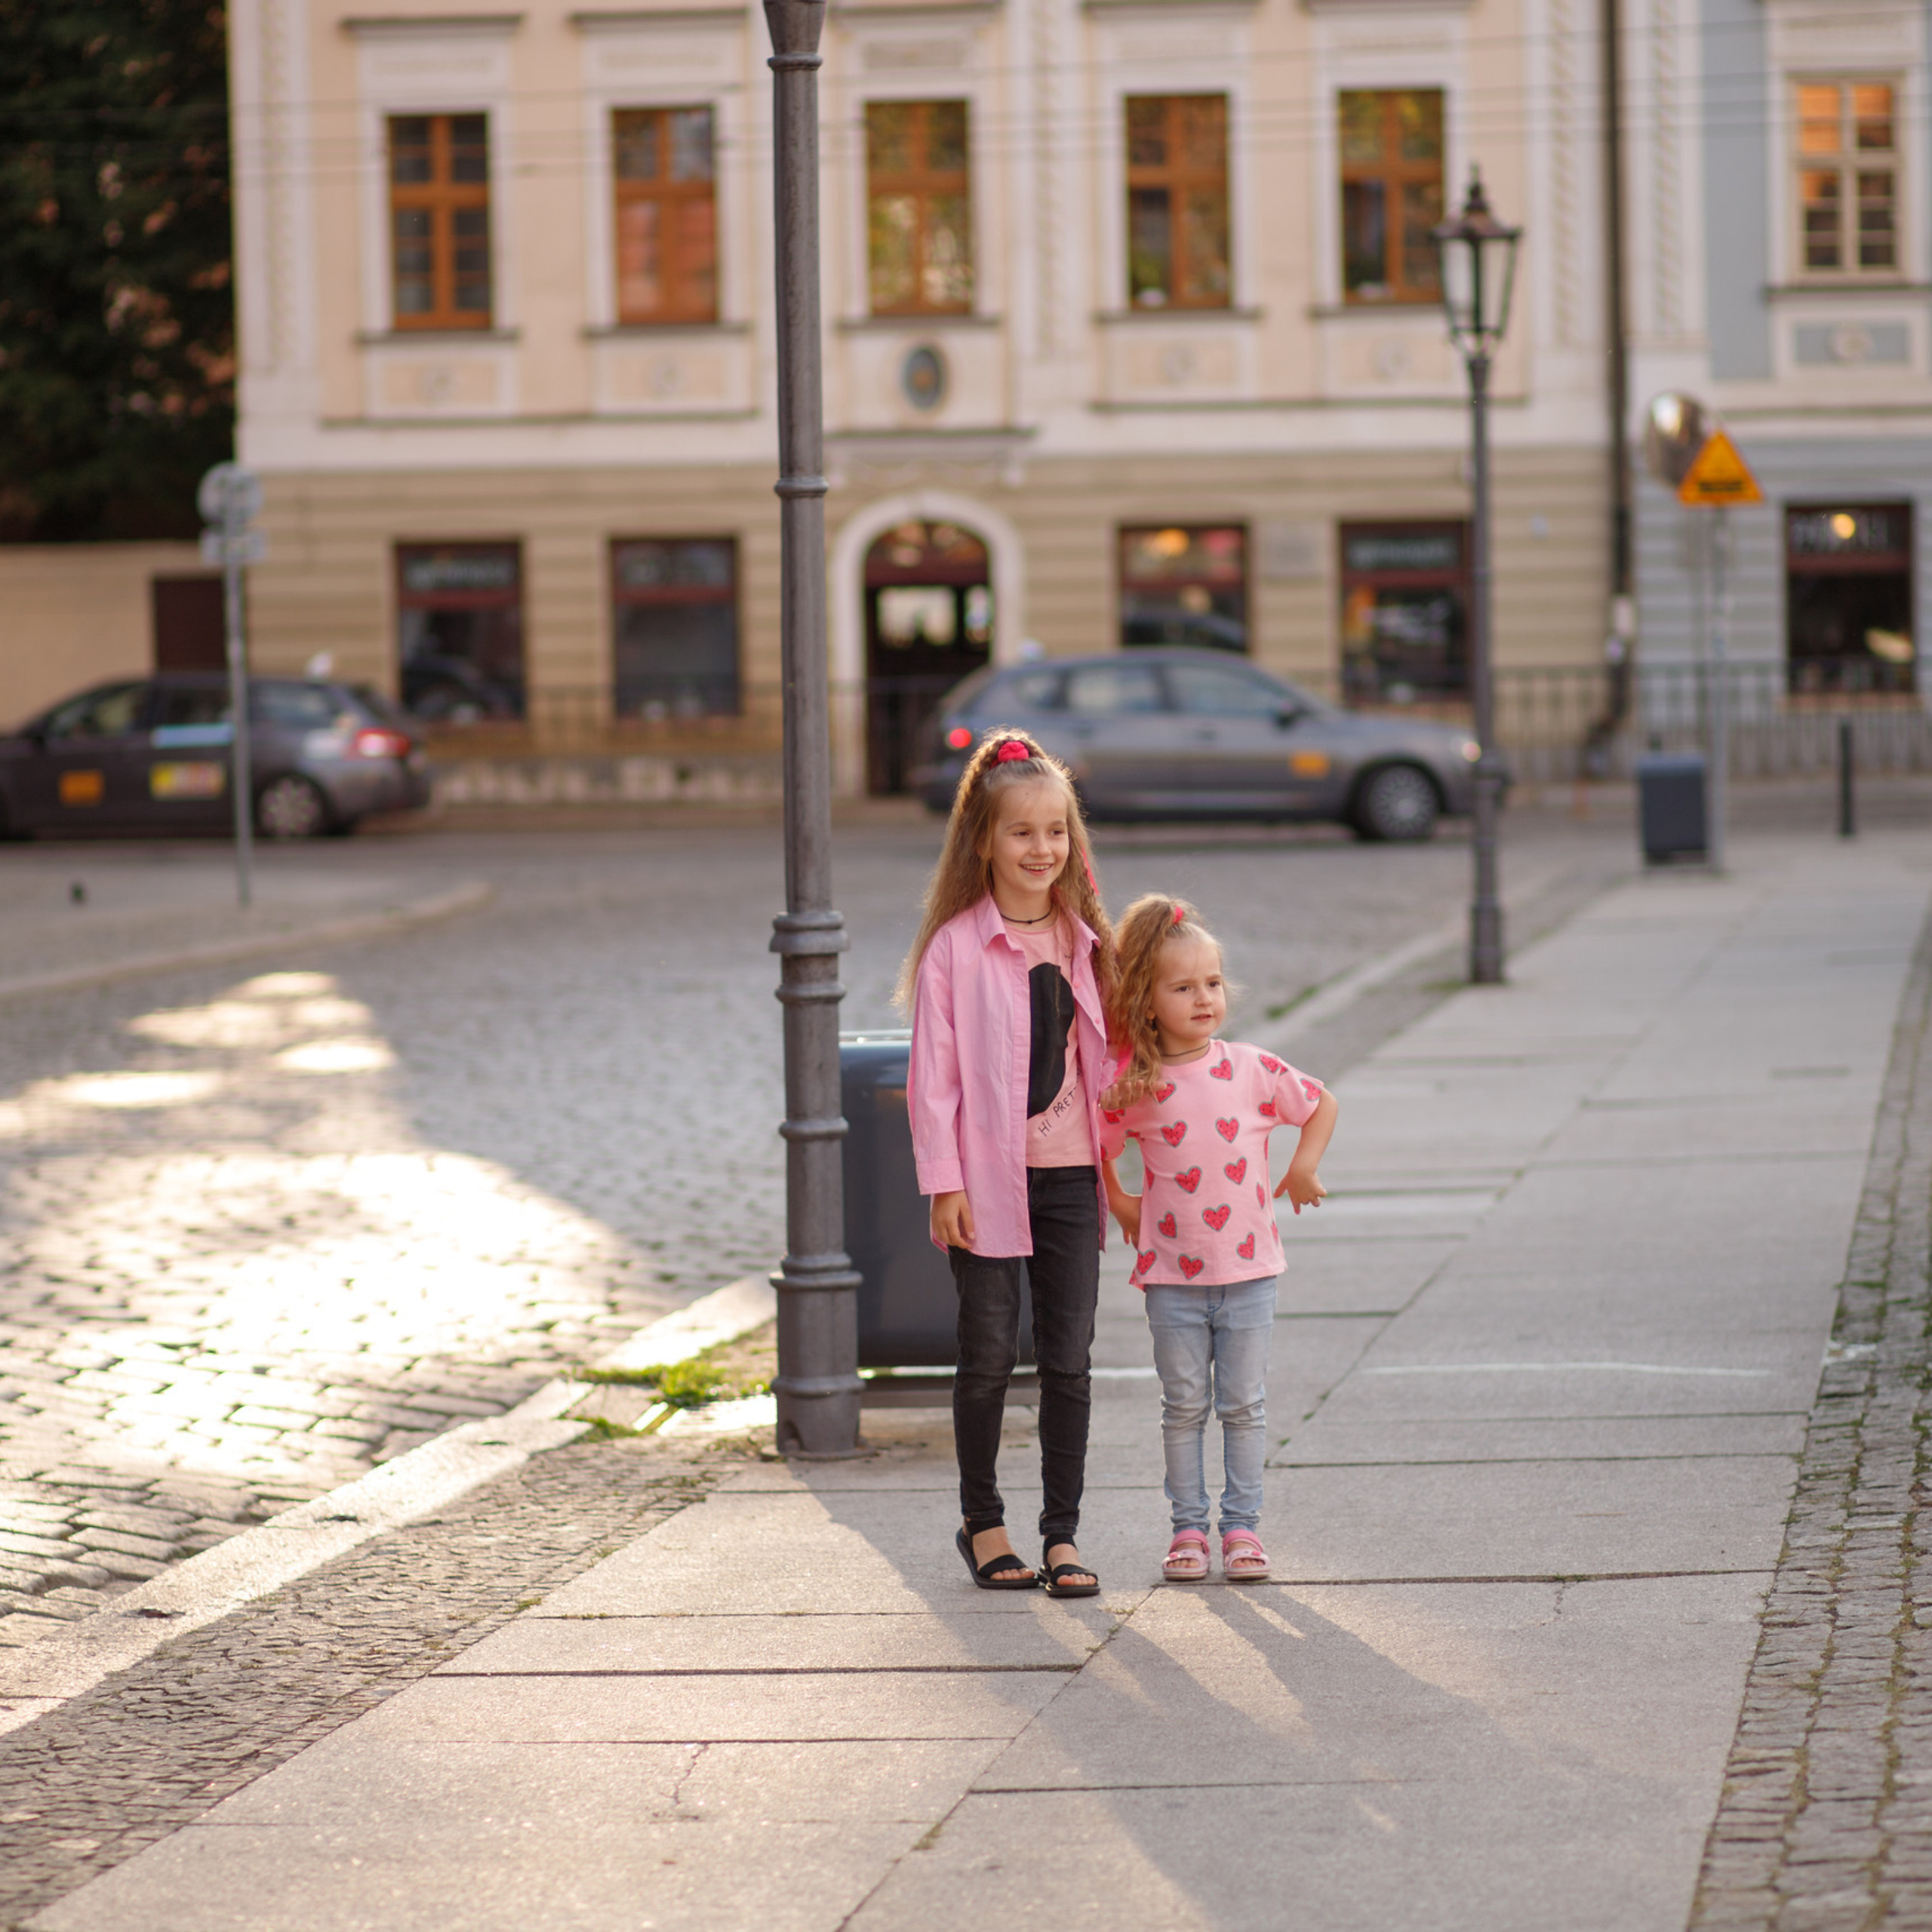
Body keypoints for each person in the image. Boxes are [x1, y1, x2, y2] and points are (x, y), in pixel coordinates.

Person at [901, 731, 1117, 1598]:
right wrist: (943, 1183)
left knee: (1068, 1356)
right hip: (986, 1185)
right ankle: (981, 1521)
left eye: (1055, 831)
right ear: (982, 841)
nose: (1041, 849)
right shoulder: (955, 949)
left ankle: (1061, 1534)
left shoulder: (1087, 942)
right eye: (1021, 832)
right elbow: (933, 1080)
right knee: (988, 1351)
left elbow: (1125, 1051)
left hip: (1071, 1179)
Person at [1099, 895, 1338, 1583]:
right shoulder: (1135, 1084)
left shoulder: (1251, 1068)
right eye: (1182, 987)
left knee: (1243, 1405)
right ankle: (1187, 1531)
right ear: (1148, 1002)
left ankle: (1241, 1529)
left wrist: (1303, 1167)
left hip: (1249, 1272)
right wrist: (1122, 1203)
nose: (1204, 998)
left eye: (1212, 983)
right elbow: (1101, 1144)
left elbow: (1320, 1102)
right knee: (1182, 1407)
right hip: (1171, 1276)